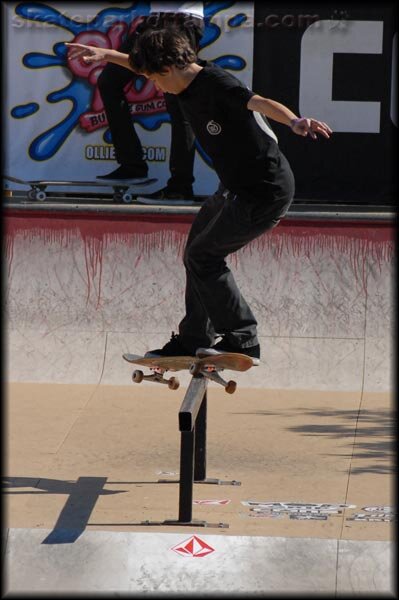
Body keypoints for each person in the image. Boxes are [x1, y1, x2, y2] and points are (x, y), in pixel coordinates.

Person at [66, 27, 332, 362]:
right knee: (195, 252)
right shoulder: (177, 72)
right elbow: (139, 64)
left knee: (203, 257)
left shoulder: (217, 83)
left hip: (264, 191)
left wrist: (294, 120)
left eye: (156, 81)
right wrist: (106, 55)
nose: (159, 89)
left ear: (167, 70)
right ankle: (195, 338)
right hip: (233, 189)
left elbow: (259, 102)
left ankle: (243, 338)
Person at [95, 2, 204, 202]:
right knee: (109, 81)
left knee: (179, 103)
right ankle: (132, 165)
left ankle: (180, 186)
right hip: (156, 19)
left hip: (182, 19)